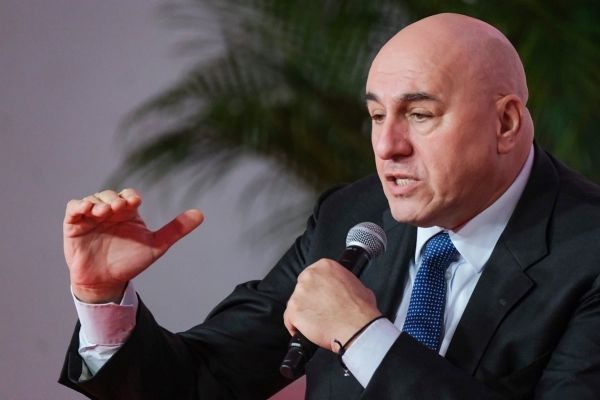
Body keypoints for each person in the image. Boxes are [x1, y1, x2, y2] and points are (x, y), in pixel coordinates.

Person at [59, 13, 600, 399]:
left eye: (419, 115)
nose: (387, 146)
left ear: (505, 123)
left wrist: (365, 337)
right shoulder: (351, 215)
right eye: (377, 116)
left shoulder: (588, 252)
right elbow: (204, 381)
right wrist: (103, 299)